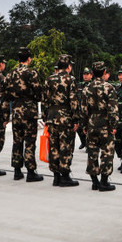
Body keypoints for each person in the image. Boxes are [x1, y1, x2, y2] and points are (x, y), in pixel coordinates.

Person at [4, 47, 44, 182]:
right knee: (30, 142)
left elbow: (7, 94)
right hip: (29, 111)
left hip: (16, 110)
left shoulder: (10, 74)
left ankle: (17, 171)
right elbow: (39, 92)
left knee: (17, 141)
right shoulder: (32, 73)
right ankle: (31, 171)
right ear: (29, 59)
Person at [41, 54, 80, 187]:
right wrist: (76, 119)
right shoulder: (71, 79)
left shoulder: (49, 79)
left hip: (52, 117)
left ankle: (56, 177)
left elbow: (44, 100)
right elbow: (74, 101)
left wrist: (45, 117)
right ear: (68, 67)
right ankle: (65, 176)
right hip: (65, 118)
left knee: (54, 147)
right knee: (66, 147)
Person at [80, 61, 118, 191]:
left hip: (91, 123)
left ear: (92, 72)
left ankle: (94, 182)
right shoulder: (109, 87)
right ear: (103, 72)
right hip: (105, 123)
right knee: (107, 152)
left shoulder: (86, 88)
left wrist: (84, 125)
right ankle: (104, 182)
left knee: (92, 152)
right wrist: (113, 125)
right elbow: (112, 109)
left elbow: (84, 109)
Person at [76, 67, 92, 149]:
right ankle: (83, 142)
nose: (85, 76)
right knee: (79, 128)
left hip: (89, 111)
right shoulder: (79, 85)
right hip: (80, 110)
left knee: (88, 128)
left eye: (87, 74)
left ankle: (89, 145)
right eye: (84, 74)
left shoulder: (93, 85)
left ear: (91, 75)